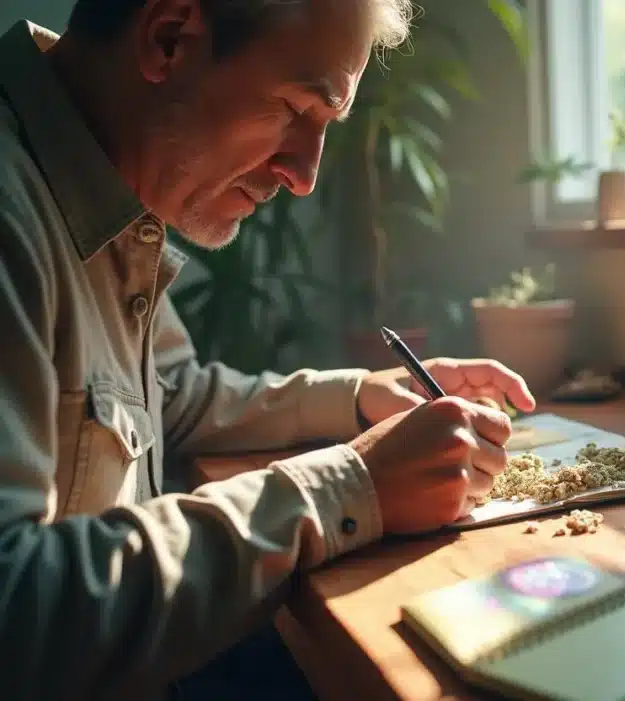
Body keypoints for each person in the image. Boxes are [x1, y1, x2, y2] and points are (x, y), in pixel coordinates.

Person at [0, 1, 535, 699]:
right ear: (170, 39)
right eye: (296, 109)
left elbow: (173, 395)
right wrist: (353, 487)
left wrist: (357, 395)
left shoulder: (102, 189)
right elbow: (15, 608)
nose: (305, 174)